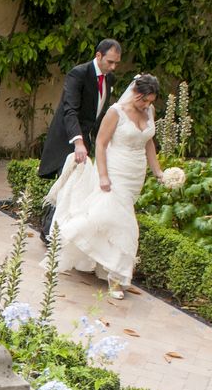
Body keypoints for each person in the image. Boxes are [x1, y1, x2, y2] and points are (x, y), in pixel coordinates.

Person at [41, 73, 167, 300]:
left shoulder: (149, 112)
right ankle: (116, 278)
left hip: (134, 174)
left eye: (150, 102)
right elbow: (100, 143)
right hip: (115, 169)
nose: (147, 105)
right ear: (136, 93)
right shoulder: (116, 112)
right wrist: (103, 175)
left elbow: (148, 142)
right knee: (125, 225)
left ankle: (93, 256)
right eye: (144, 100)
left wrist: (158, 171)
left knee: (108, 219)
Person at [37, 40, 122, 241]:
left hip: (87, 140)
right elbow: (70, 110)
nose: (113, 67)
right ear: (98, 56)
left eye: (116, 63)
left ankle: (55, 231)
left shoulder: (109, 79)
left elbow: (97, 114)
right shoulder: (79, 74)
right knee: (65, 184)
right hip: (68, 138)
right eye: (110, 62)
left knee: (75, 187)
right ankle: (50, 234)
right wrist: (78, 142)